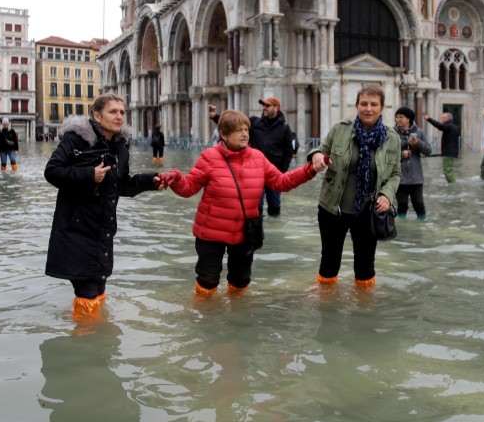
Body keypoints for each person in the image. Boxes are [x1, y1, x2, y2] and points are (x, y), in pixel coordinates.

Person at [159, 110, 323, 297]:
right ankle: (205, 319)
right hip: (211, 233)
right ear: (224, 134)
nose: (245, 134)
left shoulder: (258, 157)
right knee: (207, 282)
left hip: (245, 233)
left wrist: (310, 170)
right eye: (239, 130)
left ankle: (236, 319)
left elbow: (281, 182)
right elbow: (188, 188)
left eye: (246, 129)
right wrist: (176, 178)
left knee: (240, 282)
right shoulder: (209, 157)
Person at [44, 93, 169, 320]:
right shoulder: (76, 141)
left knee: (97, 293)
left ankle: (93, 344)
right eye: (113, 111)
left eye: (122, 112)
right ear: (97, 115)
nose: (119, 116)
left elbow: (122, 185)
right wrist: (89, 174)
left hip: (102, 232)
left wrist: (151, 181)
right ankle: (87, 345)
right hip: (76, 231)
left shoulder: (120, 147)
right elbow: (52, 171)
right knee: (89, 294)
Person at [306, 84, 401, 288]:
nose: (368, 108)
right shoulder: (341, 129)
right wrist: (317, 157)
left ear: (381, 107)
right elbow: (319, 150)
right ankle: (327, 310)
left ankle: (364, 312)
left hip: (368, 210)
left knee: (365, 268)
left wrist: (386, 194)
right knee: (329, 263)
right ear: (357, 105)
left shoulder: (392, 138)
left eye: (374, 104)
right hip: (333, 208)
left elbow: (395, 173)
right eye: (364, 103)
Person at [209, 97, 293, 218]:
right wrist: (214, 116)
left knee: (275, 205)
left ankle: (274, 228)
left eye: (267, 105)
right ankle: (256, 231)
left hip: (274, 173)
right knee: (255, 206)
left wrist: (282, 171)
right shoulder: (254, 122)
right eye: (263, 105)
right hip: (254, 173)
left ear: (276, 108)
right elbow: (234, 125)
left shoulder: (284, 128)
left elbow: (288, 151)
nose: (264, 108)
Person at [393, 107, 431, 220]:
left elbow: (428, 151)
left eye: (401, 117)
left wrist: (418, 143)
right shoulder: (391, 132)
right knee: (402, 205)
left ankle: (422, 229)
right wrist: (402, 154)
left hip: (416, 176)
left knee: (419, 204)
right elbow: (386, 153)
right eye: (396, 117)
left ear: (408, 119)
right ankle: (402, 230)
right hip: (399, 176)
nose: (397, 119)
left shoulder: (419, 132)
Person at [423, 111, 460, 183]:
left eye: (443, 117)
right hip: (451, 152)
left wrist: (428, 119)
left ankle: (452, 186)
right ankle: (452, 183)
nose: (441, 119)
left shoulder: (449, 126)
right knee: (449, 170)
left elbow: (439, 126)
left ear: (447, 118)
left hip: (449, 153)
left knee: (447, 170)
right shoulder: (452, 126)